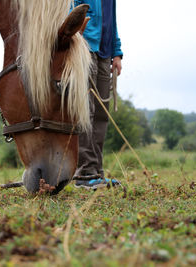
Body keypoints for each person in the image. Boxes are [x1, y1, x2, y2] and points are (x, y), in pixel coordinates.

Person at [73, 0, 123, 189]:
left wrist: (117, 53)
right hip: (84, 48)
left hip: (105, 53)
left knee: (102, 113)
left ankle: (97, 172)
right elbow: (71, 13)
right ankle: (85, 174)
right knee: (87, 111)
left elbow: (112, 22)